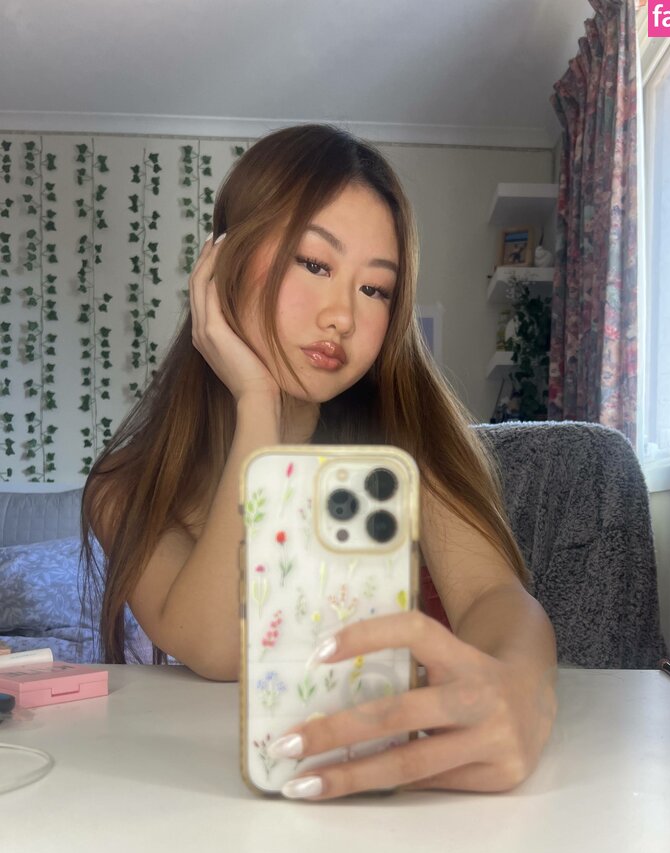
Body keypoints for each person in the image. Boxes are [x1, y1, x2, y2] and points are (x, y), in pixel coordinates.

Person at [81, 123, 557, 800]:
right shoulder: (124, 488)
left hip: (418, 800)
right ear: (221, 262)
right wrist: (256, 402)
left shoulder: (410, 429)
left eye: (376, 290)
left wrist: (519, 688)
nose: (342, 316)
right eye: (314, 264)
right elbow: (217, 648)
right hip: (212, 803)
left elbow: (494, 596)